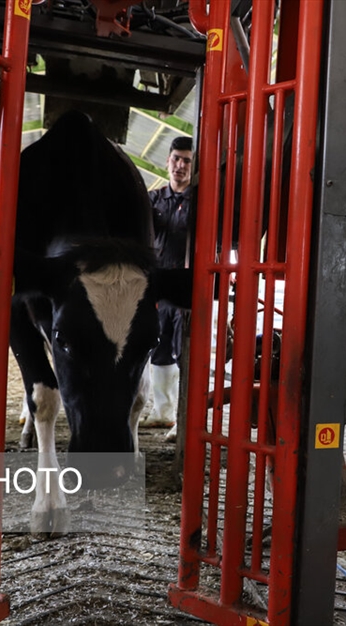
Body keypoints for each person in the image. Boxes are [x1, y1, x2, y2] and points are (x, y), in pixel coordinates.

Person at [142, 136, 195, 442]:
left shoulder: (202, 201)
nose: (180, 165)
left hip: (188, 286)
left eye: (187, 160)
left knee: (185, 350)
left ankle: (181, 418)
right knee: (157, 347)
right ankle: (162, 411)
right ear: (167, 160)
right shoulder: (153, 200)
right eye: (176, 158)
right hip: (157, 284)